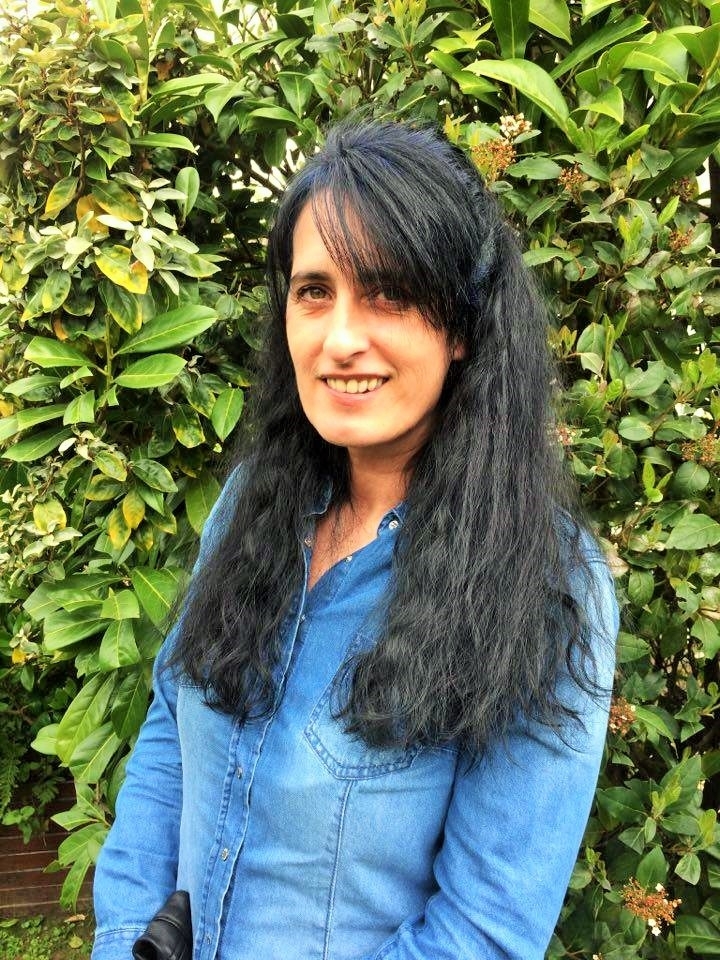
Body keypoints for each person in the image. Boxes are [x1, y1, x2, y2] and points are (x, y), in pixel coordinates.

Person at [91, 118, 619, 960]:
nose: (340, 340)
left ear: (462, 327)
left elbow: (483, 931)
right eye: (314, 291)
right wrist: (123, 938)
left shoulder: (543, 582)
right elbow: (168, 738)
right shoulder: (251, 507)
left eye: (389, 293)